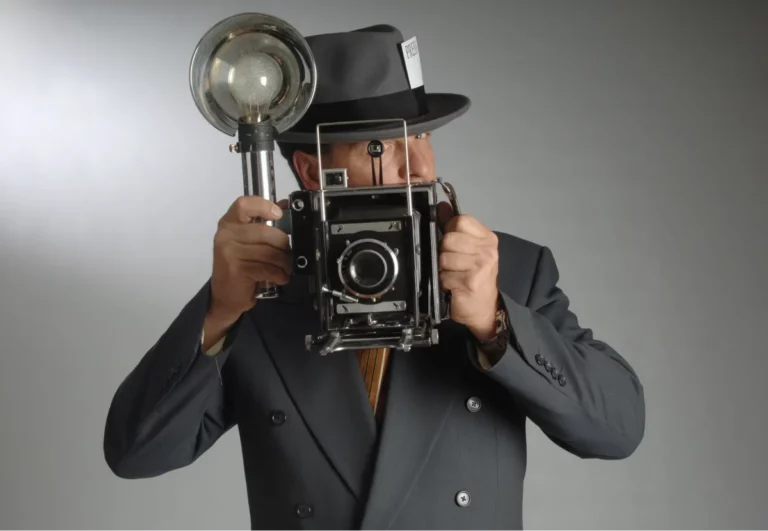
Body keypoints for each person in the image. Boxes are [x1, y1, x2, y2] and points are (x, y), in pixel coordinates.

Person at [103, 23, 645, 531]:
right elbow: (135, 454)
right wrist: (218, 313)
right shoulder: (262, 285)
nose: (420, 168)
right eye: (381, 146)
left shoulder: (507, 270)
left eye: (423, 138)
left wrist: (496, 322)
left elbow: (618, 430)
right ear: (314, 171)